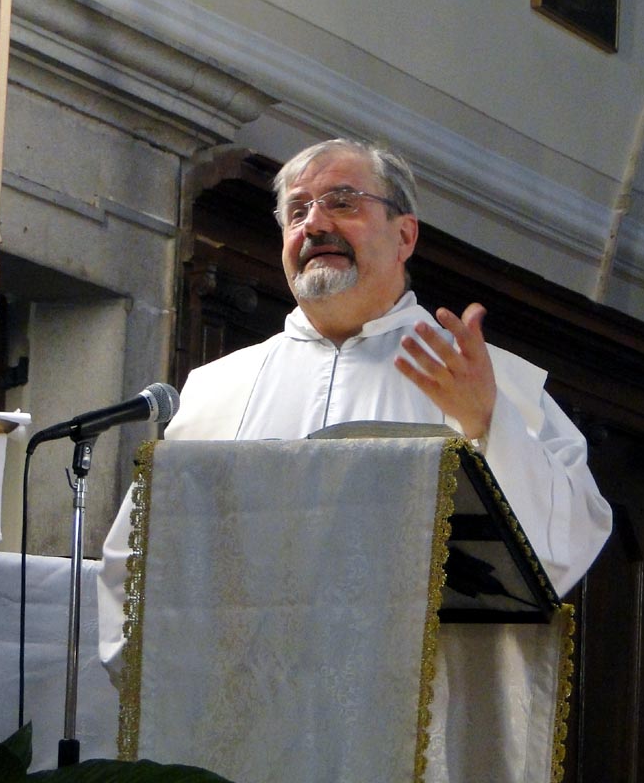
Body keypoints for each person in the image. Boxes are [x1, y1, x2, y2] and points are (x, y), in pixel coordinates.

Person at [97, 137, 612, 778]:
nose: (314, 223)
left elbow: (571, 533)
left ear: (405, 235)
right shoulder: (217, 391)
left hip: (412, 731)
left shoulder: (488, 381)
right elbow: (137, 560)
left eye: (342, 202)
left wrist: (489, 424)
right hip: (243, 733)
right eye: (297, 211)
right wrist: (173, 687)